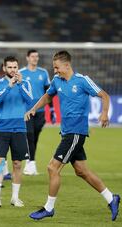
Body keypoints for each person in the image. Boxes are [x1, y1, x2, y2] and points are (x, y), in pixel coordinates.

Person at [27, 50, 120, 221]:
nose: (55, 71)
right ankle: (111, 198)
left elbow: (104, 95)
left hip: (76, 133)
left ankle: (48, 208)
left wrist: (105, 113)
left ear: (67, 65)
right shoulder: (57, 80)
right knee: (81, 171)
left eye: (57, 67)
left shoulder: (82, 80)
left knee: (52, 168)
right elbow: (48, 97)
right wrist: (34, 108)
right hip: (67, 133)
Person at [0, 56, 32, 208]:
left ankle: (15, 198)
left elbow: (30, 100)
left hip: (19, 128)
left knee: (17, 164)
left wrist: (19, 85)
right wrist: (9, 86)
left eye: (15, 67)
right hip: (2, 128)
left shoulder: (25, 82)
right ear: (4, 68)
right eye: (10, 67)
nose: (13, 70)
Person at [20, 49, 55, 175]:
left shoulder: (43, 73)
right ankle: (31, 163)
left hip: (40, 111)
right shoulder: (21, 73)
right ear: (27, 58)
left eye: (37, 56)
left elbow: (48, 92)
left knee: (35, 137)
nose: (35, 58)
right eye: (33, 56)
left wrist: (51, 110)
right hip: (26, 111)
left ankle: (30, 163)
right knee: (29, 135)